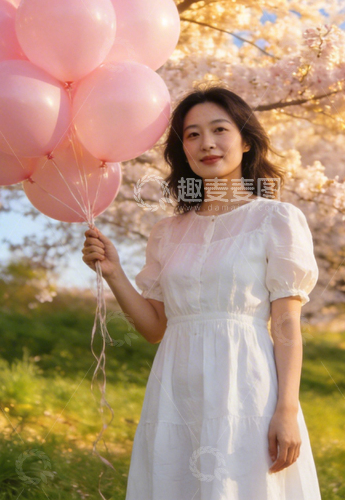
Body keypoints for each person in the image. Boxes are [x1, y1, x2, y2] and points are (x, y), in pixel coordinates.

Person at [82, 85, 322, 499]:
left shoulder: (277, 218)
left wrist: (287, 409)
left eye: (219, 130)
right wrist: (113, 272)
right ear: (182, 150)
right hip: (175, 386)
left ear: (246, 140)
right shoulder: (167, 232)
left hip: (246, 384)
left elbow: (285, 323)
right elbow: (155, 327)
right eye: (192, 135)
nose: (206, 143)